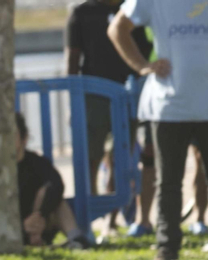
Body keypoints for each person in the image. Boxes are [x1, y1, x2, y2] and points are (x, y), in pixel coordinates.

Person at [110, 0, 208, 260]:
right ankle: (167, 249)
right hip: (168, 105)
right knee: (168, 182)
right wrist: (143, 66)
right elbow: (118, 28)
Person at [66, 0, 154, 236]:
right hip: (93, 95)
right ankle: (89, 219)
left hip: (128, 95)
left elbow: (147, 48)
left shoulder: (133, 8)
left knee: (121, 160)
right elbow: (73, 57)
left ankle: (111, 222)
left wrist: (143, 71)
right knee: (91, 159)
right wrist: (73, 101)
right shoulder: (81, 12)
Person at [15, 112, 93, 249]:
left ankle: (76, 239)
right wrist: (23, 225)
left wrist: (39, 215)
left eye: (12, 134)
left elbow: (56, 185)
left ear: (24, 137)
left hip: (40, 222)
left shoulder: (36, 162)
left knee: (59, 203)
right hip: (14, 226)